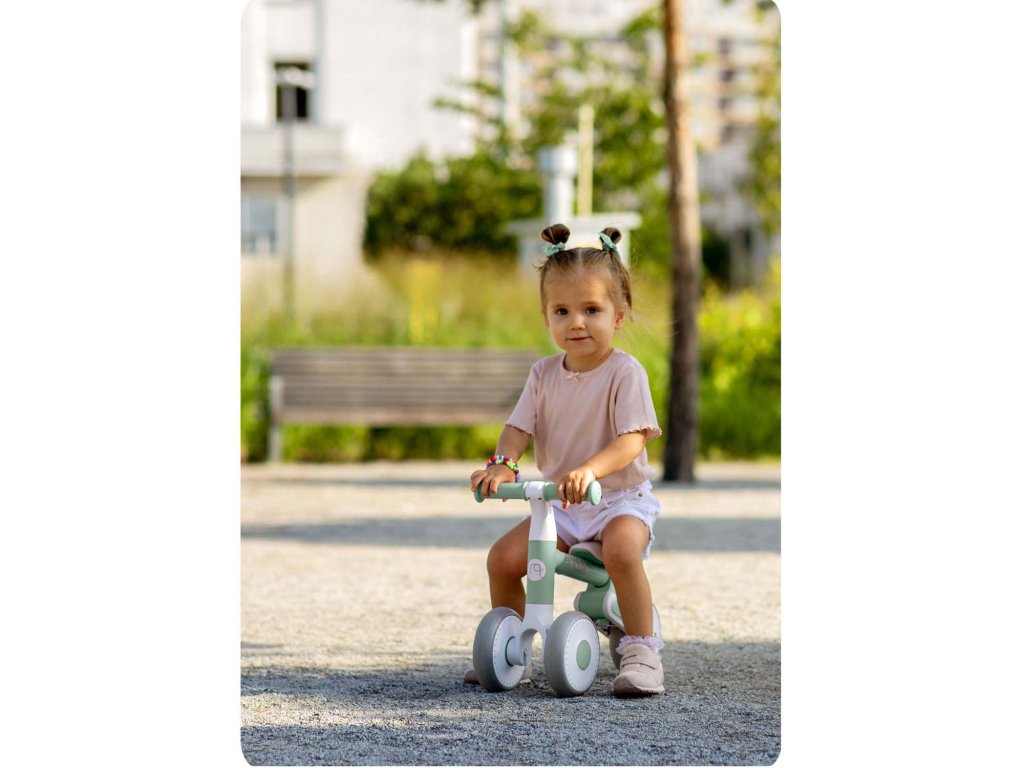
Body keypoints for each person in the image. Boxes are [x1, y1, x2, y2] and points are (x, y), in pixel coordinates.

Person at [466, 223, 665, 696]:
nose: (577, 322)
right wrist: (504, 464)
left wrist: (591, 470)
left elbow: (633, 440)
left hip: (619, 499)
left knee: (621, 551)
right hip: (562, 503)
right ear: (546, 317)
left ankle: (641, 651)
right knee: (503, 559)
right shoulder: (543, 374)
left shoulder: (624, 372)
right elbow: (518, 428)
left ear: (618, 315)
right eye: (562, 311)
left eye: (591, 310)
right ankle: (510, 647)